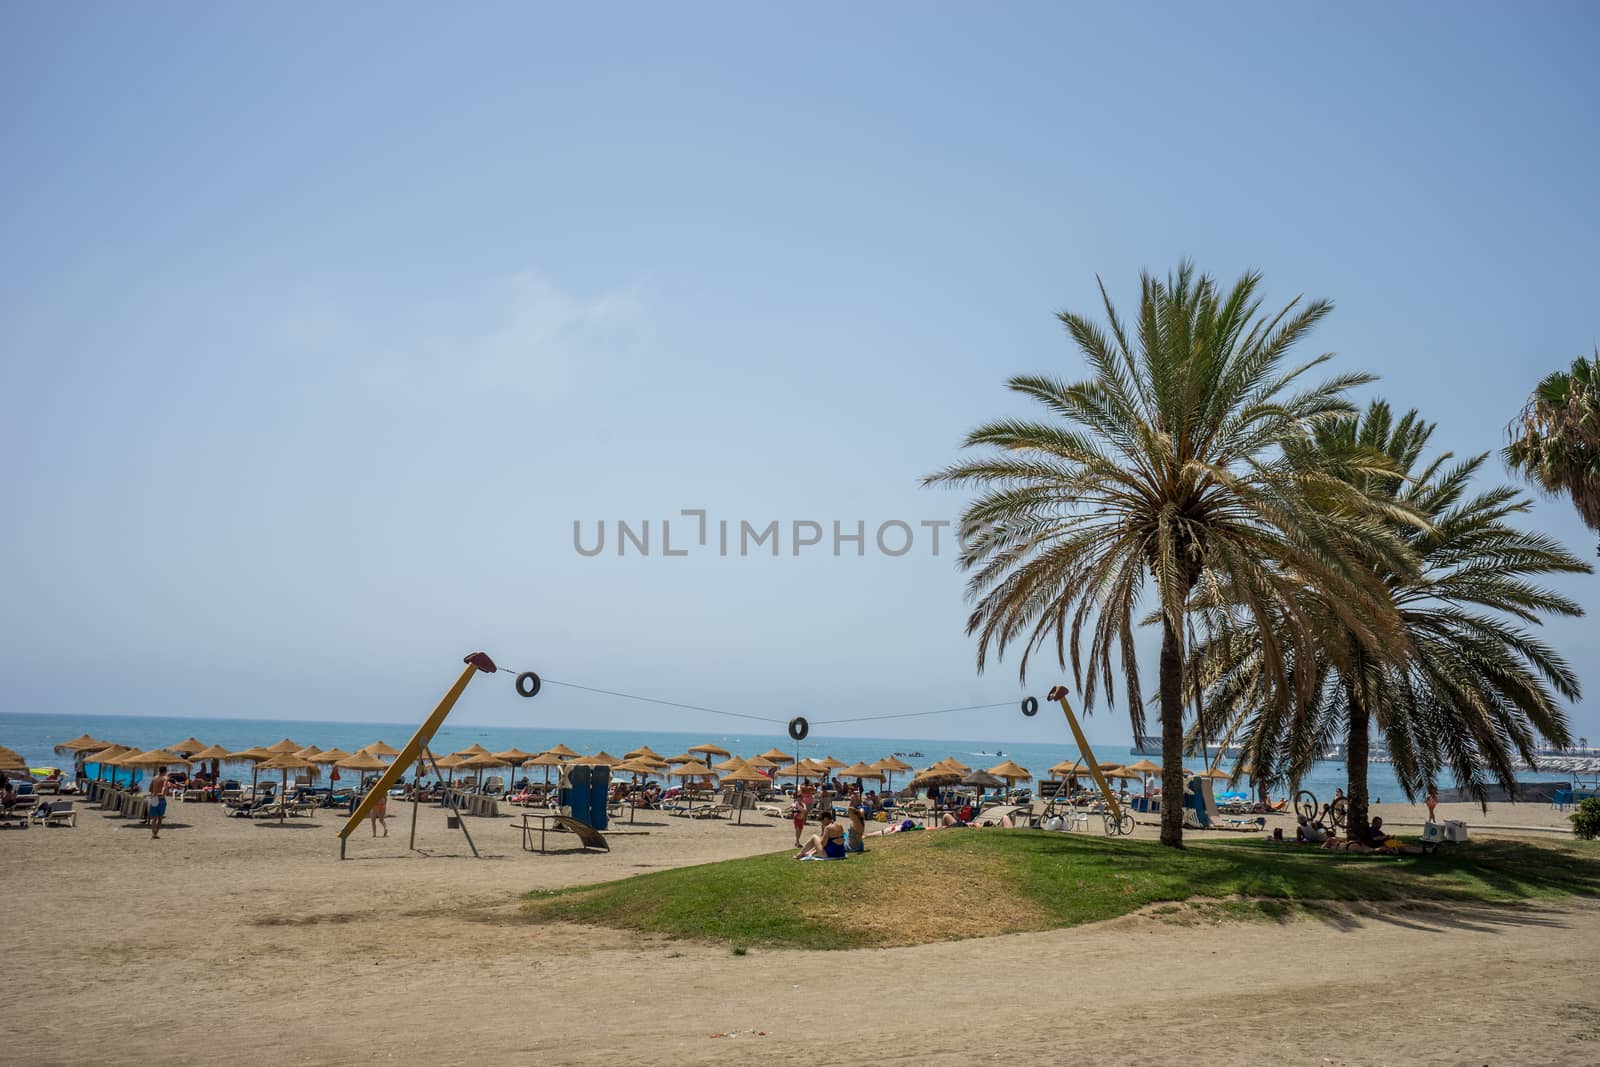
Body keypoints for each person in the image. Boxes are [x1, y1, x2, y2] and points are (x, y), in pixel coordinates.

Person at [148, 766, 170, 840]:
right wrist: (162, 792)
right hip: (161, 799)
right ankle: (156, 833)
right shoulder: (165, 778)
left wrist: (154, 793)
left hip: (154, 798)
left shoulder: (154, 778)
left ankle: (153, 833)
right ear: (165, 771)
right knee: (160, 818)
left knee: (154, 818)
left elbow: (150, 788)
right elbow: (164, 786)